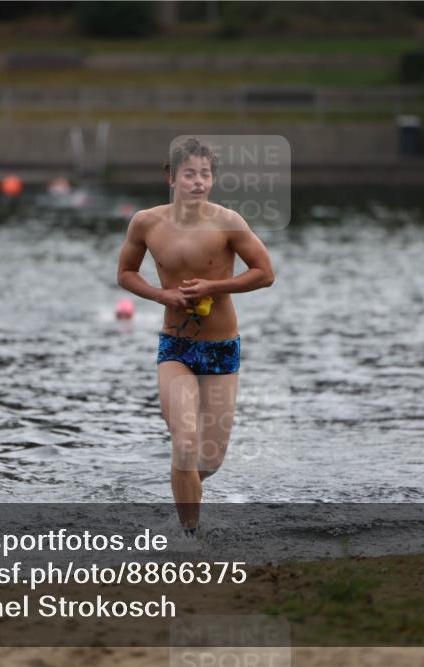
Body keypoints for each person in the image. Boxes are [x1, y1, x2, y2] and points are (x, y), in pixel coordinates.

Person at [116, 137, 274, 535]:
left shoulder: (228, 222)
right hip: (176, 346)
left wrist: (214, 287)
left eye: (205, 174)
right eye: (190, 174)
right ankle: (190, 541)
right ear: (172, 177)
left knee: (208, 461)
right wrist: (162, 294)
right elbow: (126, 274)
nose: (198, 182)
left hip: (221, 350)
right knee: (184, 443)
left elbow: (265, 273)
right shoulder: (146, 222)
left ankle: (183, 492)